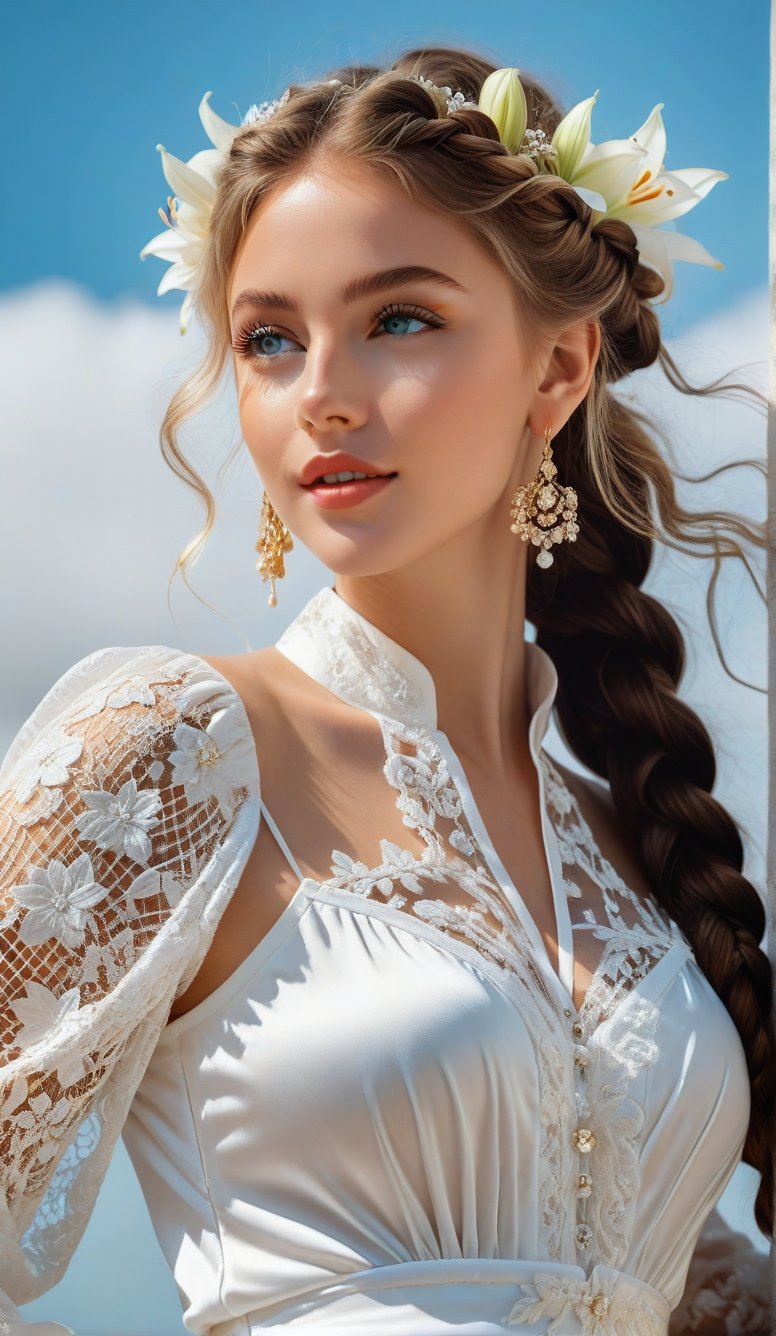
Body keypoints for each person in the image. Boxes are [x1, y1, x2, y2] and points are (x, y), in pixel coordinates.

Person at [0, 44, 772, 1336]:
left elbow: (641, 1273)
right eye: (268, 341)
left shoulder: (634, 834)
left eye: (398, 320)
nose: (323, 398)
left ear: (559, 369)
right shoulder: (169, 754)